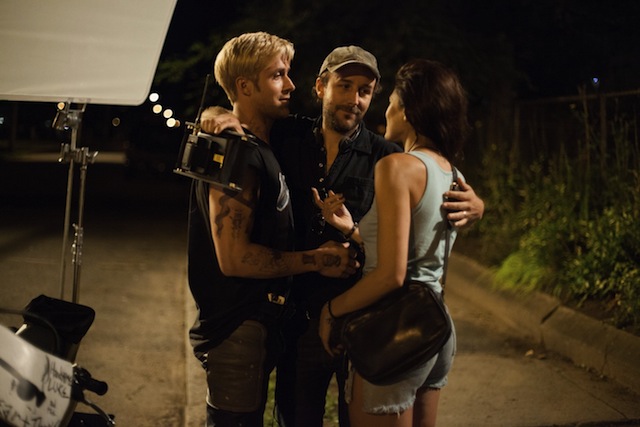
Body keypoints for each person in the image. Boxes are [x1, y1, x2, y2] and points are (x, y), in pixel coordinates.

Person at [202, 46, 484, 427]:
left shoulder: (388, 156)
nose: (355, 99)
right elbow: (241, 116)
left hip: (367, 320)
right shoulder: (285, 136)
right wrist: (213, 114)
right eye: (345, 85)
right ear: (321, 87)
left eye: (365, 90)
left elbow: (431, 189)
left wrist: (477, 205)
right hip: (299, 321)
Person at [187, 32, 357, 427]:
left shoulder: (264, 142)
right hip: (236, 326)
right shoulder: (233, 151)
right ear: (245, 86)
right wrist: (317, 260)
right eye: (278, 75)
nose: (291, 85)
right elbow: (234, 258)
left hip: (260, 325)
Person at [315, 58, 472, 427]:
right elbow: (416, 249)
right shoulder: (451, 171)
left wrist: (332, 311)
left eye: (391, 101)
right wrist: (353, 230)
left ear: (407, 109)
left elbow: (391, 274)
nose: (385, 108)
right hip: (434, 325)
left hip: (394, 327)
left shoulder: (397, 167)